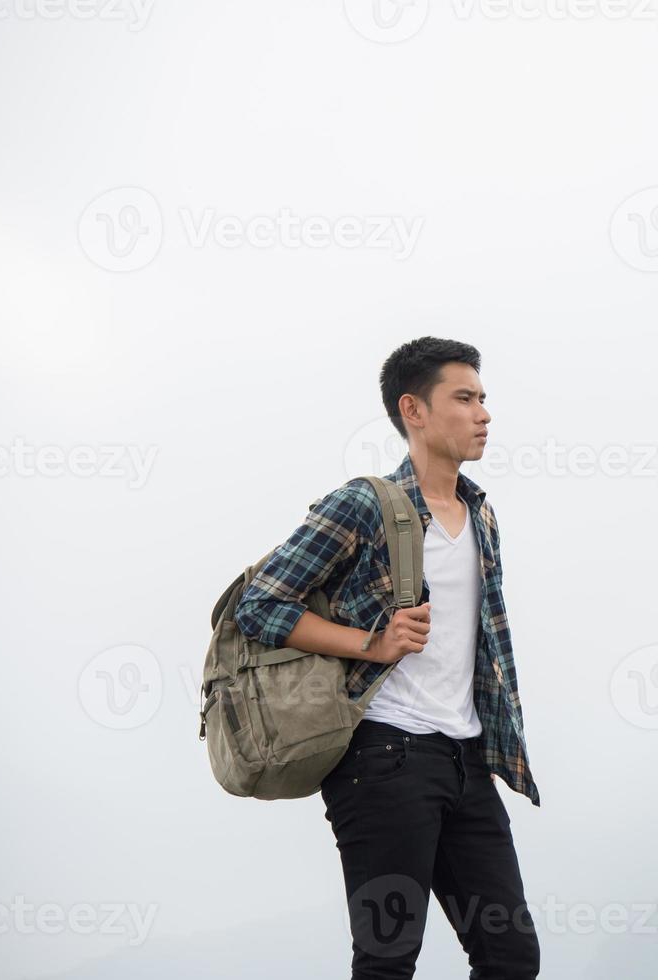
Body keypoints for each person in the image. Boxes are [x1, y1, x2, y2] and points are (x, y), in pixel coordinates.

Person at [234, 336, 540, 979]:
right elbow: (259, 606)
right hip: (384, 758)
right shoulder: (366, 504)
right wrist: (369, 644)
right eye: (464, 398)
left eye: (484, 398)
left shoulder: (480, 513)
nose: (483, 413)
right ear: (414, 410)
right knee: (388, 960)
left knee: (511, 955)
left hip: (466, 760)